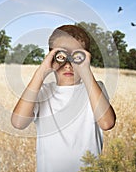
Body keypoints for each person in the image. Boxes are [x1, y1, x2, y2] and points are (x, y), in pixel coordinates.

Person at [11, 24, 116, 172]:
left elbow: (107, 123)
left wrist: (85, 71)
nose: (68, 64)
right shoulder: (42, 93)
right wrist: (42, 72)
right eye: (61, 56)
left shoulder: (95, 89)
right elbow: (18, 122)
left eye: (76, 56)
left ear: (85, 58)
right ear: (51, 57)